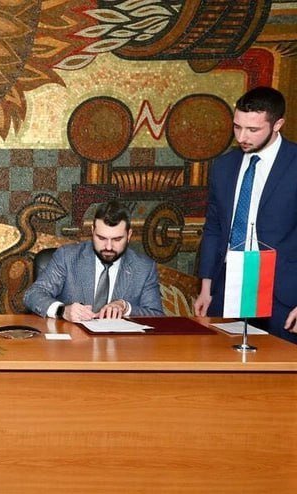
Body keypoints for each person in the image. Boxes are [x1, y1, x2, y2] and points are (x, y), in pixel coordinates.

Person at [194, 86, 297, 344]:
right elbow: (214, 228)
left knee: (279, 366)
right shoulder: (224, 165)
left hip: (283, 293)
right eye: (237, 127)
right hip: (228, 287)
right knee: (221, 360)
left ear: (278, 124)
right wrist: (206, 287)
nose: (242, 137)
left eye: (253, 129)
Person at [23, 200, 163, 322]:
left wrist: (126, 307)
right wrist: (63, 310)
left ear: (129, 235)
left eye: (117, 239)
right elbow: (33, 295)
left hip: (119, 343)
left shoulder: (144, 267)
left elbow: (157, 316)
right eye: (101, 238)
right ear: (92, 231)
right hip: (72, 341)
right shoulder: (67, 257)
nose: (108, 247)